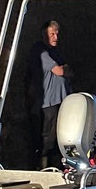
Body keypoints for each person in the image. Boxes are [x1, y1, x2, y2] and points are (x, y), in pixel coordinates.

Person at [37, 20, 72, 169]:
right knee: (48, 138)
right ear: (44, 34)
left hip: (62, 100)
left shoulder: (55, 52)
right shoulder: (41, 52)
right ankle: (43, 168)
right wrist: (63, 69)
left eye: (57, 34)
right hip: (49, 102)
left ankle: (59, 166)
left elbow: (70, 70)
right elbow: (60, 71)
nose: (56, 37)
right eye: (52, 34)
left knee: (61, 136)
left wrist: (65, 69)